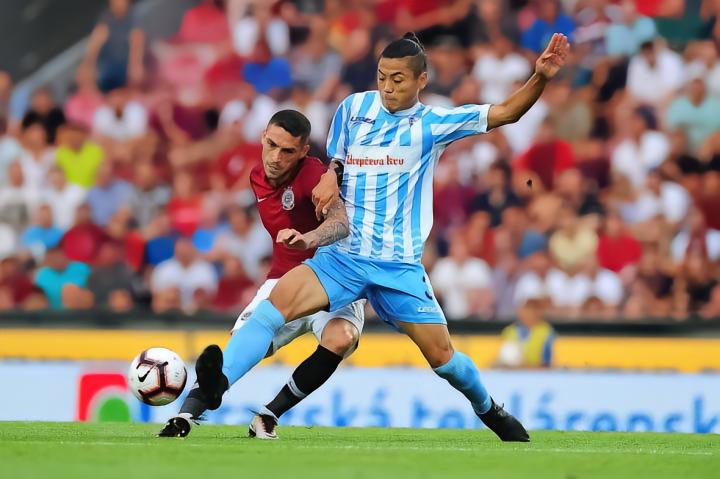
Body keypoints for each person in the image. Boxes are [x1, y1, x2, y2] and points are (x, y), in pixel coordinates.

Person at [194, 32, 569, 443]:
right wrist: (332, 176)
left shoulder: (433, 124)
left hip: (397, 265)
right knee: (274, 307)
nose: (387, 87)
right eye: (381, 77)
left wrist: (540, 78)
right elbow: (339, 157)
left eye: (398, 79)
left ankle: (489, 409)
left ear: (421, 80)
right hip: (343, 257)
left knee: (443, 359)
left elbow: (506, 113)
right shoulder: (353, 109)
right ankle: (216, 385)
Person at [158, 110, 365, 439]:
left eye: (287, 151)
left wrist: (309, 239)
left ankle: (268, 414)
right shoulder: (257, 176)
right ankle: (185, 416)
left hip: (333, 278)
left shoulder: (313, 176)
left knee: (342, 338)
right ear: (263, 137)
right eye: (272, 145)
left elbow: (340, 224)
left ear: (303, 152)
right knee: (242, 347)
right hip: (283, 279)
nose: (276, 157)